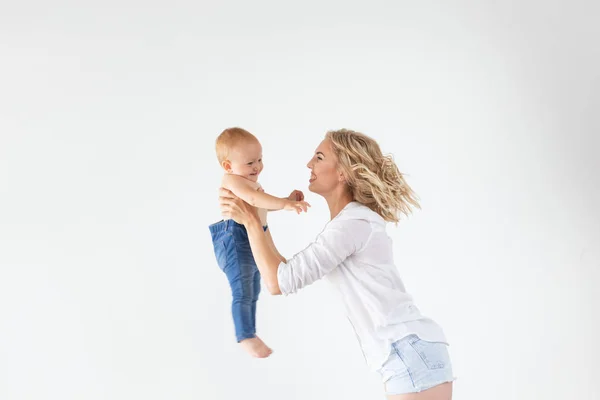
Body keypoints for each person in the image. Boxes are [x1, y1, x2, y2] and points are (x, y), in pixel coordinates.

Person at [219, 129, 455, 399]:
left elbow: (277, 282)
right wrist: (257, 218)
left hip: (405, 350)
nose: (309, 164)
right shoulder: (352, 222)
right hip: (409, 350)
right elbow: (281, 272)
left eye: (319, 157)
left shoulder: (351, 225)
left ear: (343, 172)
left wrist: (250, 219)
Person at [209, 127, 310, 358]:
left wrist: (286, 200)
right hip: (234, 238)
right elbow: (255, 200)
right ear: (228, 166)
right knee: (242, 290)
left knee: (253, 288)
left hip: (248, 236)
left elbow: (260, 206)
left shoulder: (245, 181)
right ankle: (244, 336)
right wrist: (284, 205)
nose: (257, 167)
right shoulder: (232, 180)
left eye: (260, 160)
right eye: (250, 163)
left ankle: (250, 331)